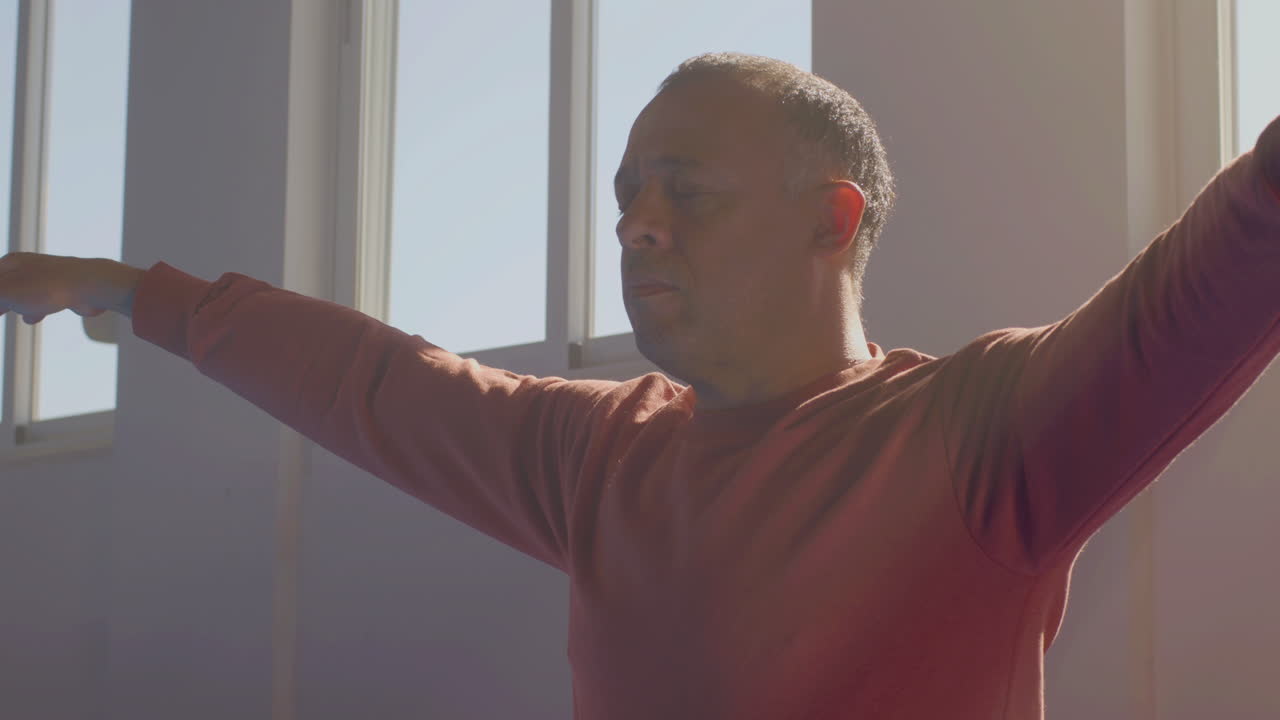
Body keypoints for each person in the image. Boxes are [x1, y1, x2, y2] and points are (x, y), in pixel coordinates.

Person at [3, 51, 1279, 719]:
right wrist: (134, 291)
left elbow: (1207, 282)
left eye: (687, 192)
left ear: (829, 221)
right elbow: (377, 384)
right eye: (625, 197)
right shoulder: (597, 458)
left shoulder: (972, 438)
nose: (637, 226)